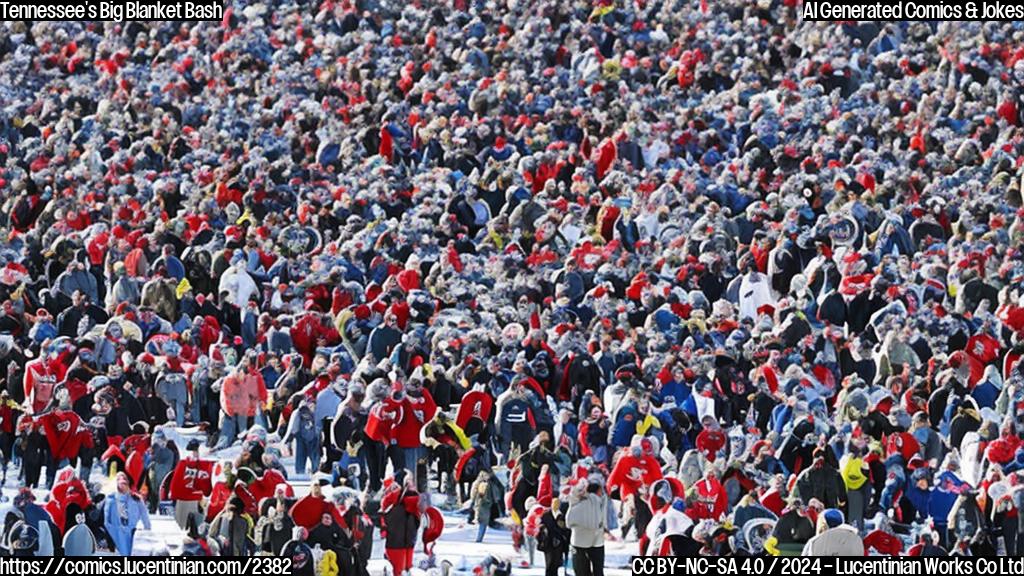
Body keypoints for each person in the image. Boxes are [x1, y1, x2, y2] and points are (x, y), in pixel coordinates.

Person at [566, 478, 607, 576]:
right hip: (597, 540)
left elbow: (572, 495)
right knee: (598, 570)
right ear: (598, 491)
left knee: (580, 571)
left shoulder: (578, 499)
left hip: (577, 540)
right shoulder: (599, 501)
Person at [103, 472, 151, 555]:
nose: (122, 480)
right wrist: (114, 533)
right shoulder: (111, 499)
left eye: (124, 479)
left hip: (131, 533)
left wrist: (147, 530)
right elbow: (106, 521)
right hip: (116, 534)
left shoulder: (136, 499)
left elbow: (144, 516)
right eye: (119, 479)